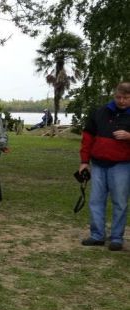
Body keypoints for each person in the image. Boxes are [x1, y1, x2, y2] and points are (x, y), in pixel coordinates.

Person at [78, 82, 130, 251]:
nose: (121, 101)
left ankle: (116, 238)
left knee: (120, 202)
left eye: (126, 98)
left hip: (122, 165)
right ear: (114, 95)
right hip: (99, 164)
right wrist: (84, 161)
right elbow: (87, 138)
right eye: (118, 97)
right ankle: (97, 235)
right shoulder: (100, 112)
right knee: (95, 201)